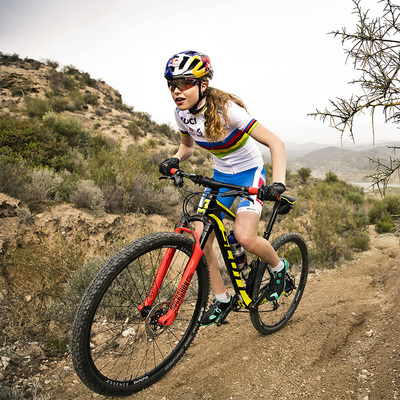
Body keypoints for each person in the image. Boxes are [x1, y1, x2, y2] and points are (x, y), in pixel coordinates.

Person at [159, 50, 288, 326]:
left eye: (185, 83)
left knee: (244, 236)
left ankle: (279, 267)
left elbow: (276, 143)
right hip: (220, 177)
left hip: (249, 175)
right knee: (200, 239)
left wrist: (277, 184)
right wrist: (175, 159)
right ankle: (222, 298)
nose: (176, 91)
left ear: (202, 84)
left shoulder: (227, 109)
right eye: (172, 84)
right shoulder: (181, 114)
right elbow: (187, 147)